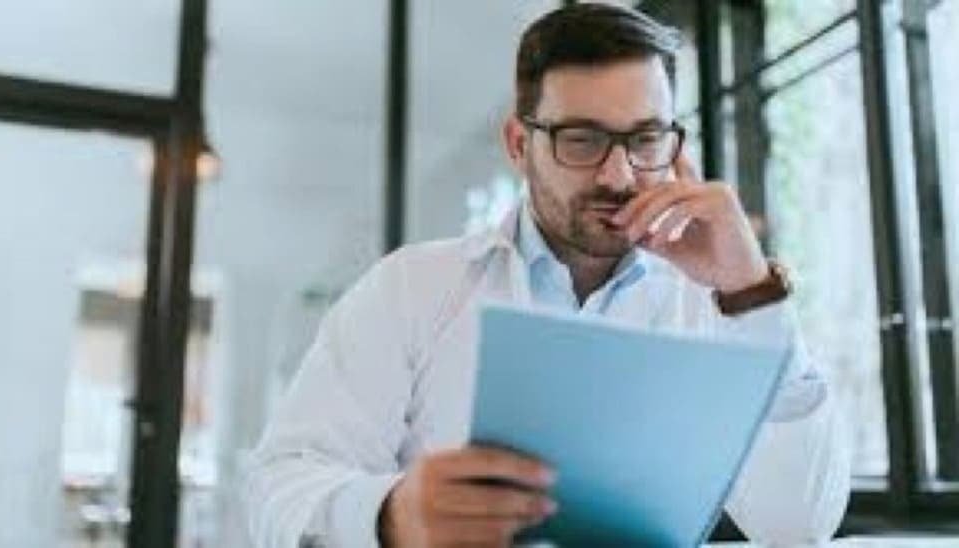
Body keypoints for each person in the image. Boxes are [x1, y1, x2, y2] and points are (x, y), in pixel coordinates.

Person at [244, 4, 851, 547]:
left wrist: (751, 294)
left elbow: (799, 525)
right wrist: (389, 517)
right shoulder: (410, 288)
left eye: (645, 139)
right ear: (517, 143)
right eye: (581, 140)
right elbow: (280, 488)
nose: (618, 175)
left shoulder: (717, 305)